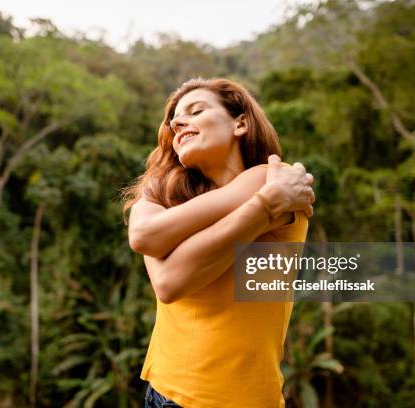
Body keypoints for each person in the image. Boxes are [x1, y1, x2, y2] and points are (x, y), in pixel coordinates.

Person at [122, 77, 315, 408]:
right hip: (164, 392)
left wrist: (266, 200)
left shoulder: (271, 176)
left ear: (240, 122)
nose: (178, 122)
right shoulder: (161, 194)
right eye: (174, 121)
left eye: (196, 111)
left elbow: (167, 276)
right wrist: (265, 207)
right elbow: (146, 241)